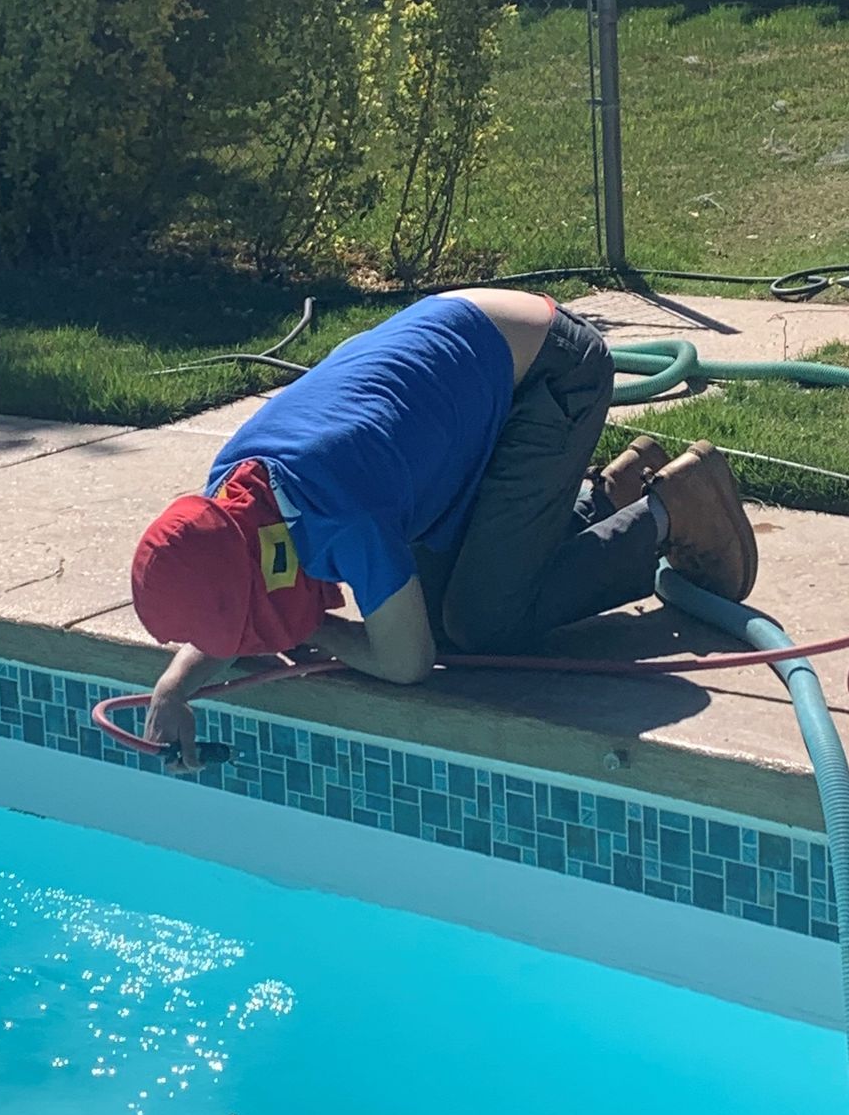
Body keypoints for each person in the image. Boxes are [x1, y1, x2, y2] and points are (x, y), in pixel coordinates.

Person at [132, 289, 757, 763]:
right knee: (454, 600)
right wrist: (173, 689)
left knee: (481, 623)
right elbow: (230, 587)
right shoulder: (237, 493)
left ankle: (674, 509)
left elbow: (407, 662)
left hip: (552, 372)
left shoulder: (342, 512)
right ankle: (606, 496)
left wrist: (308, 628)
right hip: (480, 354)